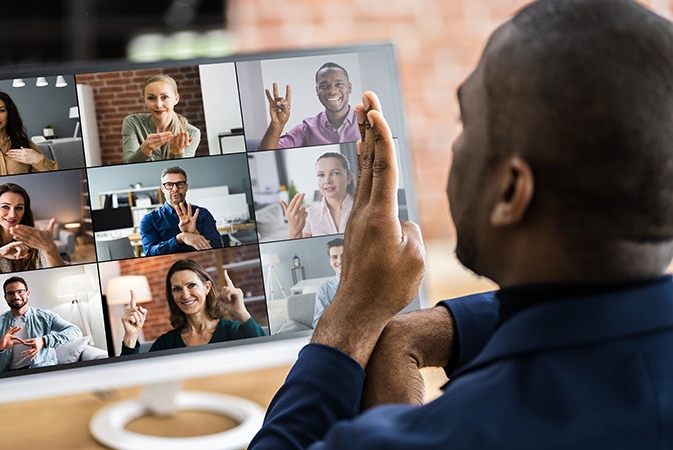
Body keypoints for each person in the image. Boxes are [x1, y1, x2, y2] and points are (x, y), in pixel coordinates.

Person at [250, 0, 673, 448]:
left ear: (510, 192)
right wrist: (446, 328)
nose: (454, 146)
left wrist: (353, 316)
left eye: (464, 122)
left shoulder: (456, 433)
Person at [120, 259, 266, 354]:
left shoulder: (233, 332)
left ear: (206, 287)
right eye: (177, 289)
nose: (185, 295)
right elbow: (133, 378)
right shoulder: (166, 343)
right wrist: (131, 336)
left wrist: (241, 313)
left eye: (191, 285)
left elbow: (267, 354)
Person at [0, 276, 82, 372]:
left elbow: (75, 332)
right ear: (5, 297)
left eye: (20, 291)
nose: (16, 296)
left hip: (43, 372)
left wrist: (44, 341)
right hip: (9, 376)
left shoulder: (46, 316)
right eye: (11, 293)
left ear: (28, 293)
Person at [258, 62, 361, 150]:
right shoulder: (306, 129)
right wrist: (276, 125)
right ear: (317, 91)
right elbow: (266, 156)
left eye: (339, 84)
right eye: (324, 86)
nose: (332, 91)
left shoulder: (366, 121)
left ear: (349, 87)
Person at [139, 166, 223, 256]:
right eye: (169, 185)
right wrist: (179, 238)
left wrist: (195, 233)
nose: (175, 189)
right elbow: (150, 253)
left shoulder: (203, 213)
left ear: (186, 187)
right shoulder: (149, 220)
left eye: (180, 184)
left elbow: (217, 246)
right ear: (163, 189)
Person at [122, 74, 202, 163]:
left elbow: (180, 169)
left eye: (164, 97)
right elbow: (129, 164)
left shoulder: (192, 133)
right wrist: (146, 149)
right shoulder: (132, 122)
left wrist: (177, 153)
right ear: (144, 100)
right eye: (151, 98)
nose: (158, 105)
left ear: (176, 99)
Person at [280, 152, 354, 239]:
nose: (327, 181)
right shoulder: (309, 215)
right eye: (321, 175)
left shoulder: (364, 209)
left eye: (335, 173)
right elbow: (301, 246)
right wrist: (293, 230)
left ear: (349, 178)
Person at [312, 238, 342, 328]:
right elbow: (318, 324)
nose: (340, 261)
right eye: (335, 257)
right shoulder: (324, 290)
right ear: (330, 261)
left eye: (344, 256)